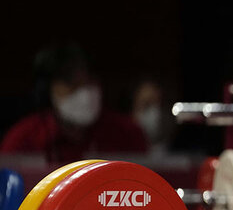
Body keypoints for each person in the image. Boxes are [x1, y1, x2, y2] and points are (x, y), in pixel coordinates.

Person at [0, 42, 147, 162]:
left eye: (89, 82)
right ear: (47, 91)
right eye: (71, 84)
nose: (84, 93)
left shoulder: (128, 133)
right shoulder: (23, 139)